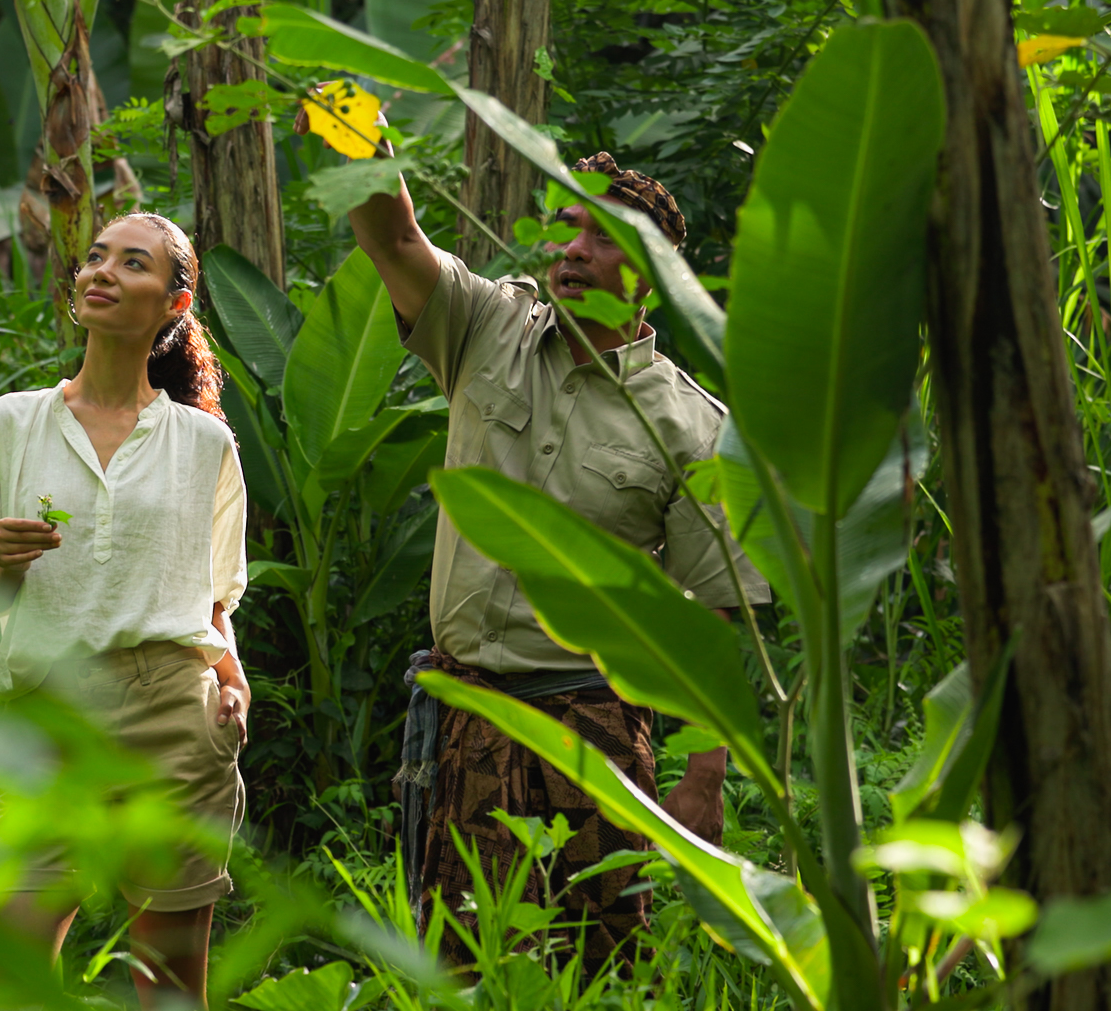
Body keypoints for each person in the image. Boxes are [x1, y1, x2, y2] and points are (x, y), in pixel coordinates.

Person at [301, 108, 768, 968]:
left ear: (652, 272)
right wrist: (352, 126)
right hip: (467, 714)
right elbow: (395, 239)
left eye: (603, 237)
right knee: (459, 963)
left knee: (595, 964)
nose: (574, 249)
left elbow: (714, 617)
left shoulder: (693, 427)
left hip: (591, 724)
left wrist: (705, 777)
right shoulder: (486, 326)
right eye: (566, 227)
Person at [0, 212, 251, 1009]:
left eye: (132, 263)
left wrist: (232, 680)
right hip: (48, 718)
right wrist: (5, 564)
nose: (102, 272)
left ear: (175, 303)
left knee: (170, 989)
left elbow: (214, 598)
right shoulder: (10, 423)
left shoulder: (205, 445)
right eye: (94, 258)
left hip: (172, 713)